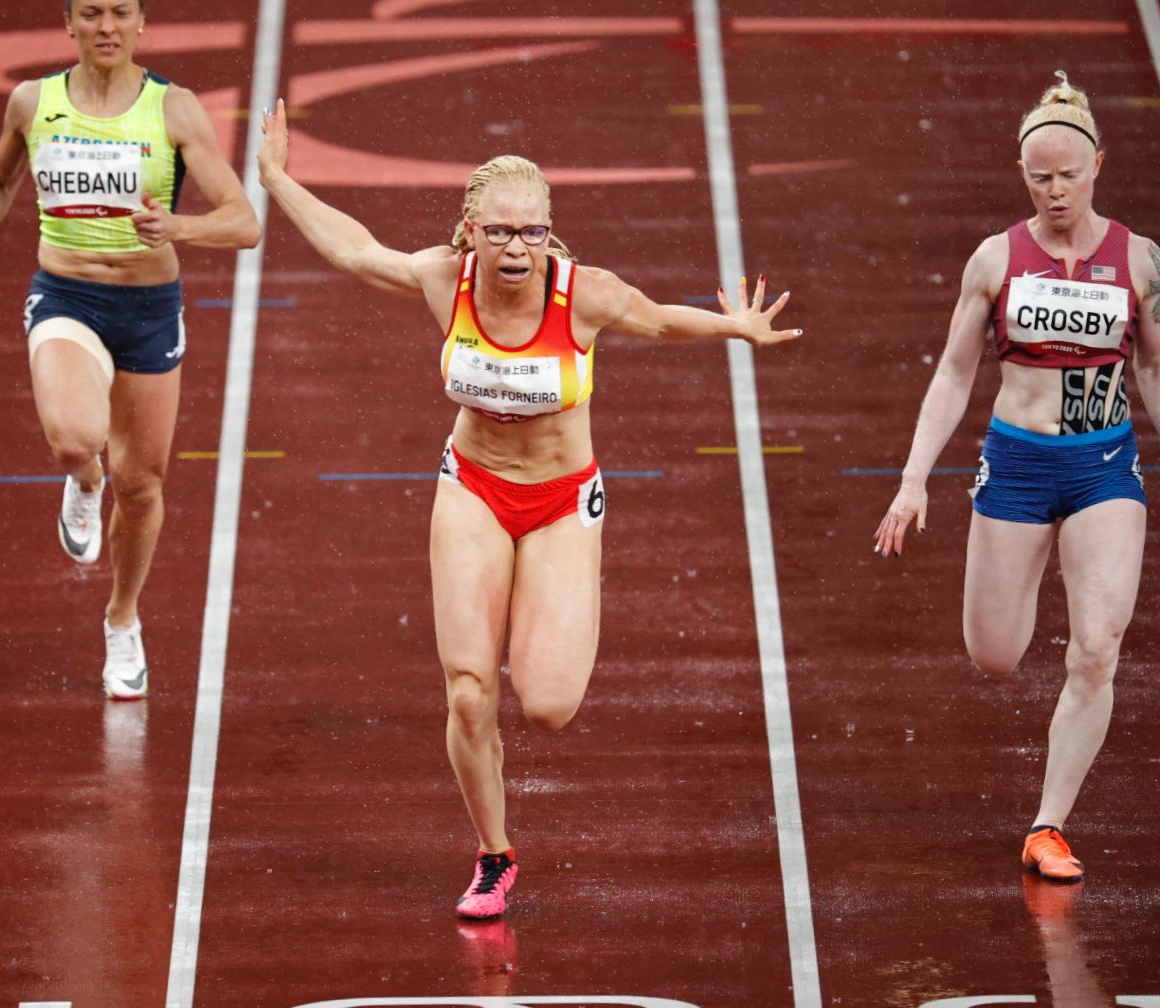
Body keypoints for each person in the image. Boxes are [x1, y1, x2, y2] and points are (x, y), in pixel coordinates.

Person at [257, 99, 801, 918]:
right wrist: (275, 178)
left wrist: (736, 328)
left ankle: (556, 608)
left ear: (551, 233)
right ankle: (493, 854)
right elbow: (352, 247)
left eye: (533, 233)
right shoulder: (447, 282)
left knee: (546, 705)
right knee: (471, 693)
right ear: (469, 230)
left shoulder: (586, 297)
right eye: (502, 232)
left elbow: (658, 323)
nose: (518, 249)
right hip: (472, 488)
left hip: (558, 504)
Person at [873, 71, 1160, 883]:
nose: (1056, 192)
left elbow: (1155, 364)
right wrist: (914, 479)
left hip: (1104, 468)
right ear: (1025, 177)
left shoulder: (1140, 261)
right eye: (1039, 178)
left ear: (1099, 165)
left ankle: (1048, 826)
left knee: (1098, 647)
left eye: (1069, 175)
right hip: (1017, 466)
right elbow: (953, 374)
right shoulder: (995, 260)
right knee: (994, 654)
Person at [0, 1, 260, 700]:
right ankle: (82, 482)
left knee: (142, 485)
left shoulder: (175, 110)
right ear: (69, 23)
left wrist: (178, 227)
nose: (106, 27)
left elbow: (244, 221)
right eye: (91, 13)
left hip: (147, 309)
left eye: (120, 13)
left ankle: (122, 617)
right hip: (66, 295)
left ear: (142, 25)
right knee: (76, 437)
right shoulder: (32, 102)